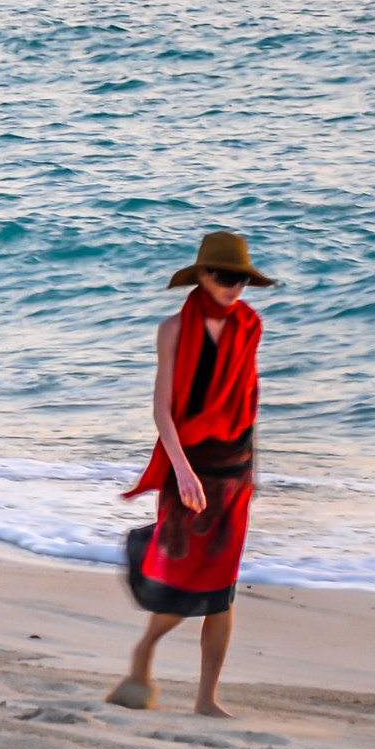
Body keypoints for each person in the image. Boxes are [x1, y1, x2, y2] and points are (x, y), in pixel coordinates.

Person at [106, 231, 275, 717]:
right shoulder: (174, 330)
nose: (234, 287)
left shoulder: (250, 325)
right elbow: (162, 409)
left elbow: (248, 402)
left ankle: (206, 698)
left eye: (241, 279)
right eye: (224, 277)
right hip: (190, 465)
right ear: (201, 276)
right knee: (185, 581)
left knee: (222, 589)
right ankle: (144, 651)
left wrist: (252, 472)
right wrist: (181, 471)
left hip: (233, 469)